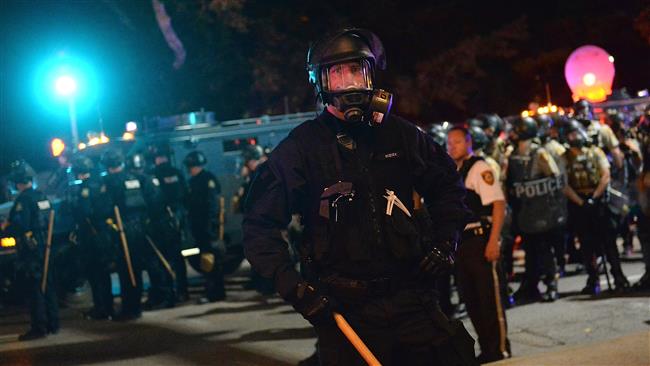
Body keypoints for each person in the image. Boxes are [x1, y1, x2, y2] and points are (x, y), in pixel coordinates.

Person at [243, 28, 477, 365]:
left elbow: (448, 188)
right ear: (320, 82)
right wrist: (295, 288)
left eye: (356, 70)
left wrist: (446, 241)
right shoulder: (301, 148)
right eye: (336, 73)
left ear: (370, 75)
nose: (349, 82)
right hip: (344, 311)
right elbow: (259, 225)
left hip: (412, 298)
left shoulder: (400, 135)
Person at [447, 126, 510, 363]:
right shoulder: (454, 171)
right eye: (449, 143)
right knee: (471, 300)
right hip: (462, 244)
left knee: (488, 300)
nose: (452, 147)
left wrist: (493, 241)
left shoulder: (479, 168)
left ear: (469, 142)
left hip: (481, 240)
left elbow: (498, 204)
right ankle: (487, 349)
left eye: (457, 142)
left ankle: (499, 349)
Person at [562, 120, 630, 294]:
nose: (573, 137)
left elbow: (605, 174)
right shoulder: (565, 157)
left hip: (598, 201)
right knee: (587, 245)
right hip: (579, 203)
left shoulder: (595, 152)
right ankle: (593, 279)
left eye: (575, 133)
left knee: (609, 242)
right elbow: (564, 183)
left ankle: (618, 277)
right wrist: (580, 202)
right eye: (570, 135)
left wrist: (594, 197)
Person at [506, 117, 565, 303]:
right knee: (530, 250)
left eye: (516, 130)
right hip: (524, 211)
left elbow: (555, 178)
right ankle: (531, 286)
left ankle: (551, 284)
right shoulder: (513, 154)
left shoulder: (539, 153)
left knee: (544, 249)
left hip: (541, 210)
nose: (512, 134)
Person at [5, 160, 59, 340]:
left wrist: (7, 226)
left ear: (17, 182)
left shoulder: (24, 200)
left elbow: (20, 225)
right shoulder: (41, 196)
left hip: (32, 250)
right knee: (48, 285)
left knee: (36, 289)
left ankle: (39, 327)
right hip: (46, 247)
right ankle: (53, 323)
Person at [102, 149, 157, 321]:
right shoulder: (134, 178)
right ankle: (136, 306)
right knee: (137, 269)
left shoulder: (111, 182)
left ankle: (130, 309)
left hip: (122, 229)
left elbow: (104, 208)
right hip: (140, 228)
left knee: (126, 271)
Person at [68, 155, 115, 320]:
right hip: (104, 234)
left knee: (95, 274)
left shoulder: (85, 189)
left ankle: (100, 308)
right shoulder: (100, 185)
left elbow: (85, 213)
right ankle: (109, 307)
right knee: (104, 273)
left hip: (91, 236)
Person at [184, 150, 227, 303]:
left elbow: (213, 206)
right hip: (200, 228)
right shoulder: (194, 181)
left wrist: (211, 227)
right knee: (206, 260)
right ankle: (213, 291)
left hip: (208, 228)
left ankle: (215, 293)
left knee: (211, 261)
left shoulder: (208, 180)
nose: (190, 169)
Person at [150, 142, 190, 302]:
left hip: (163, 220)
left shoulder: (154, 175)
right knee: (178, 257)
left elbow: (154, 199)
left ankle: (169, 292)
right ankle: (183, 290)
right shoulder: (177, 173)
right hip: (178, 219)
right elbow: (185, 193)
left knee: (164, 258)